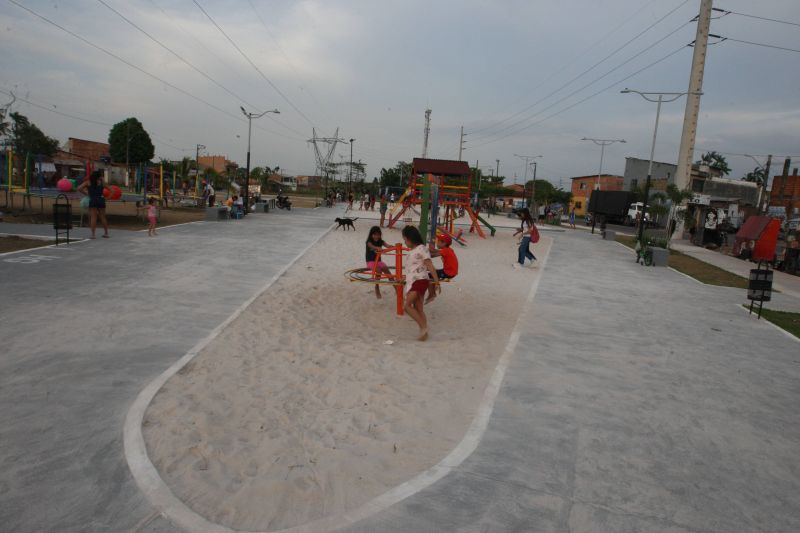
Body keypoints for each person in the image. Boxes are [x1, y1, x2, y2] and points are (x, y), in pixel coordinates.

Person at [401, 225, 440, 341]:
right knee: (418, 309)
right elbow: (411, 269)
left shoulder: (422, 248)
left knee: (407, 306)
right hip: (412, 282)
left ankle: (423, 328)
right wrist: (404, 279)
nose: (405, 242)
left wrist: (437, 282)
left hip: (420, 281)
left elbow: (430, 266)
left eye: (405, 239)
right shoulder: (412, 251)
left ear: (410, 238)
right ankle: (424, 332)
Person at [77, 170, 109, 239]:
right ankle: (106, 233)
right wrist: (107, 198)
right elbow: (112, 190)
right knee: (103, 217)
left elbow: (79, 188)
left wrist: (86, 193)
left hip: (93, 199)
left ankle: (93, 235)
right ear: (99, 176)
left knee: (93, 217)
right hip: (101, 199)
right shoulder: (102, 183)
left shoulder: (88, 182)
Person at [427, 233, 458, 303]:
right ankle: (434, 288)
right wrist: (431, 249)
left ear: (444, 243)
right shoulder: (448, 249)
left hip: (448, 273)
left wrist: (426, 252)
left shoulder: (445, 251)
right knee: (434, 272)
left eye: (438, 241)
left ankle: (432, 294)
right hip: (451, 272)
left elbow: (432, 255)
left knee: (429, 275)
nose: (437, 242)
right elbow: (435, 251)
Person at [365, 226, 393, 299]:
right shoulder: (369, 242)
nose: (376, 236)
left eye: (378, 235)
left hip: (379, 261)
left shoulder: (381, 241)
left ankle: (395, 286)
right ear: (371, 235)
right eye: (375, 234)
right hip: (370, 262)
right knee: (378, 271)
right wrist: (377, 248)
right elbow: (372, 246)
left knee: (386, 269)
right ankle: (377, 287)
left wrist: (393, 247)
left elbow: (387, 246)